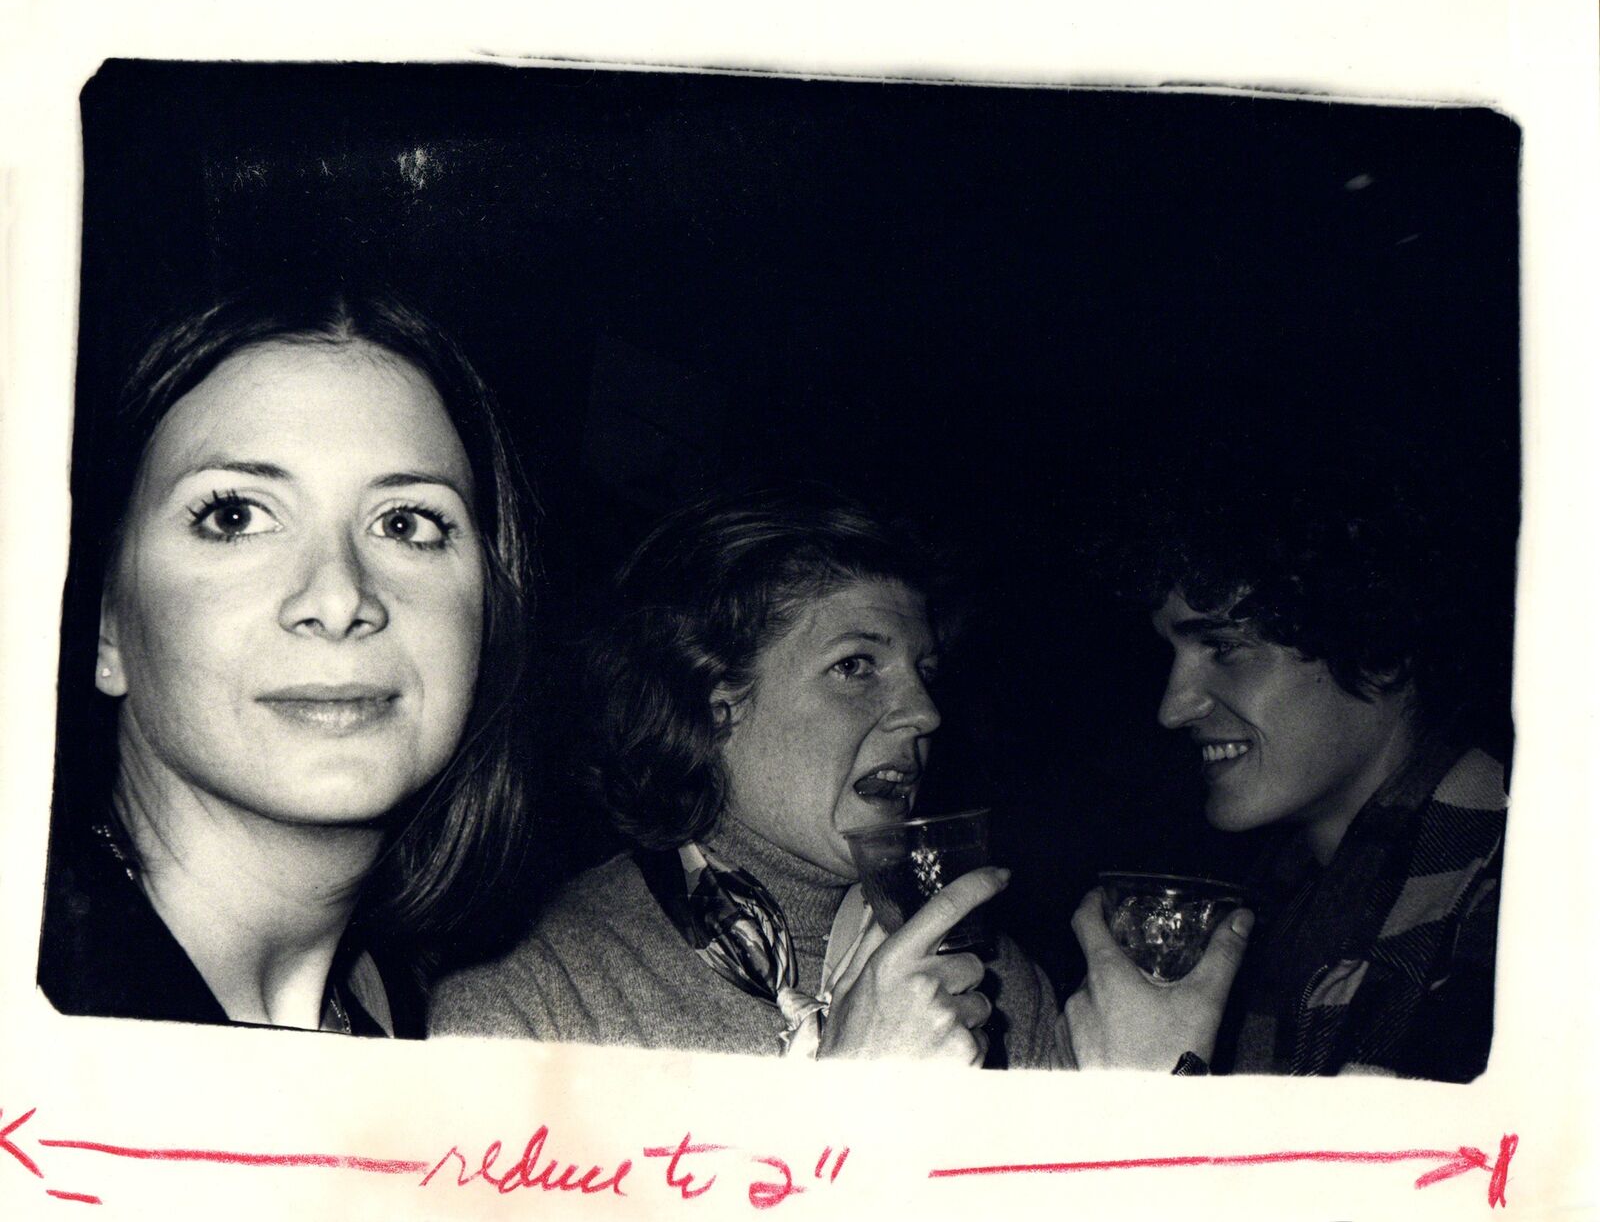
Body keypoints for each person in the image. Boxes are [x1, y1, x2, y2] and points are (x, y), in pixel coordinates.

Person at [37, 287, 536, 1037]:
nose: (338, 597)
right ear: (108, 623)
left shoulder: (422, 1022)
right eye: (234, 516)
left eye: (405, 523)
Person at [431, 485, 1060, 1066]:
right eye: (856, 666)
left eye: (926, 671)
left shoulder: (995, 983)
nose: (924, 714)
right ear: (714, 704)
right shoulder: (533, 1000)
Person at [1062, 457, 1509, 1080]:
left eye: (1223, 648)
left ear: (1377, 650)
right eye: (1175, 654)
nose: (1172, 709)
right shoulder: (1285, 907)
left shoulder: (1510, 920)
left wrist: (1149, 1087)